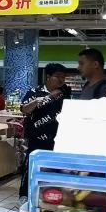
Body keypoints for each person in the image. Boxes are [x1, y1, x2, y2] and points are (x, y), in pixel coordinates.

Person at [20, 63, 70, 198]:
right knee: (31, 167)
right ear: (48, 76)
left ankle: (47, 196)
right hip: (36, 138)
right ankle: (24, 196)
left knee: (53, 169)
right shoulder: (35, 91)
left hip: (57, 139)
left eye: (63, 77)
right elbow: (24, 109)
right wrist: (36, 101)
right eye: (58, 76)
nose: (61, 80)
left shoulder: (64, 94)